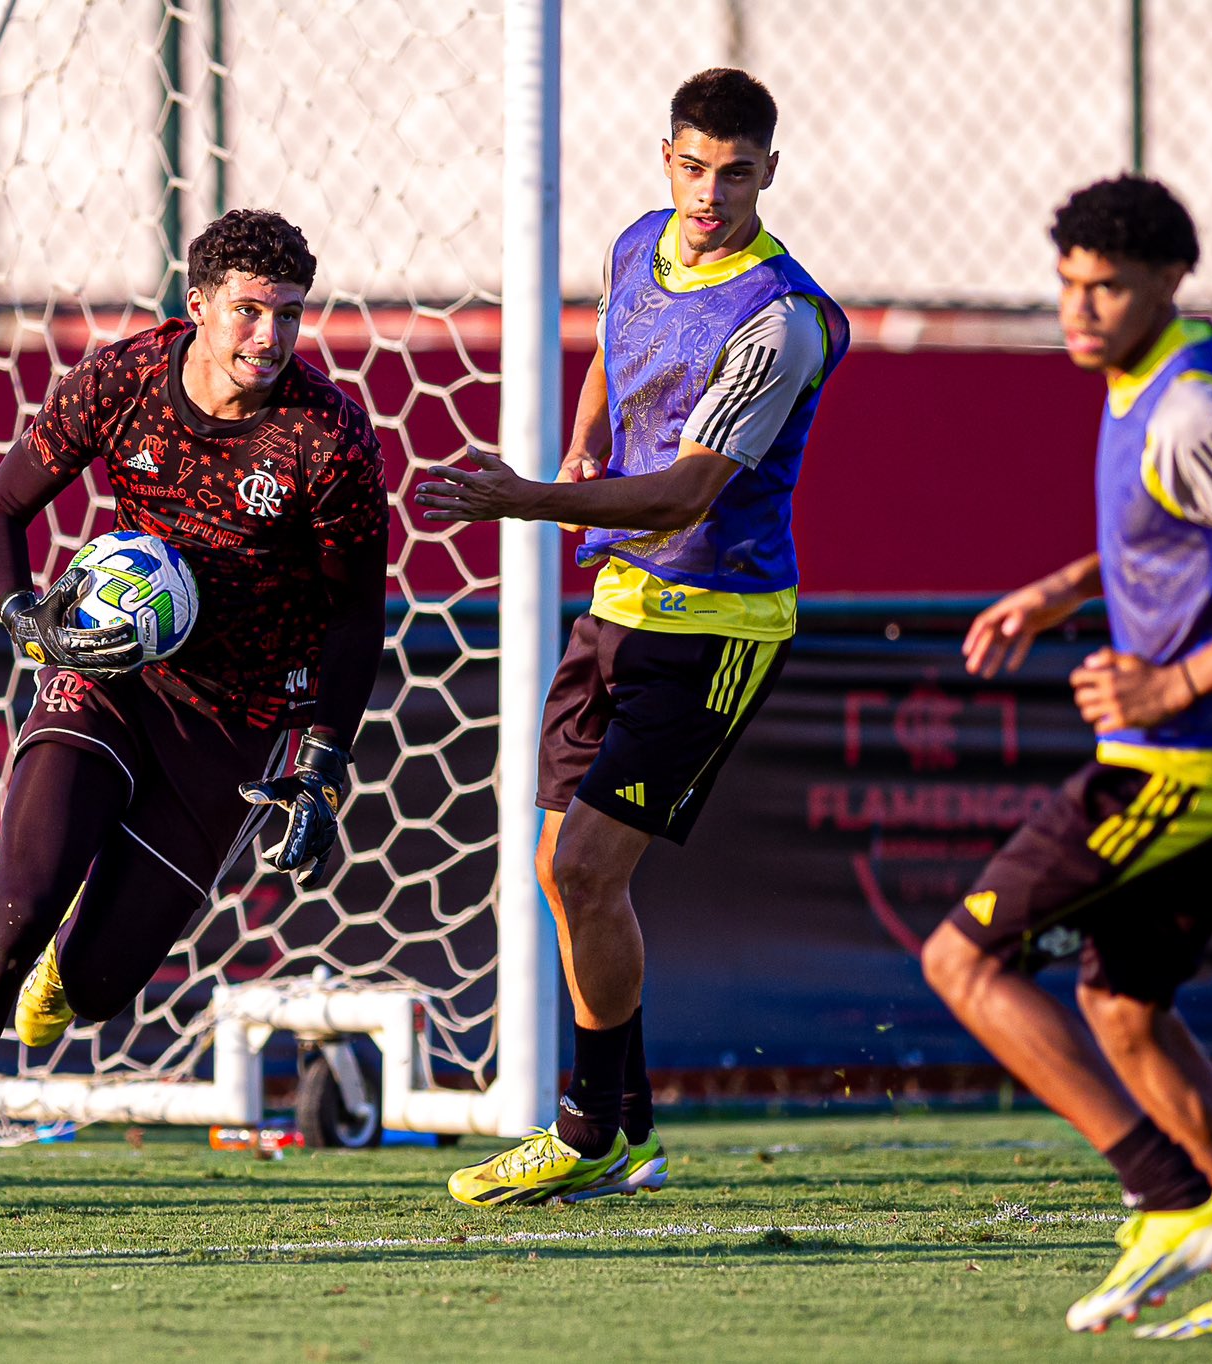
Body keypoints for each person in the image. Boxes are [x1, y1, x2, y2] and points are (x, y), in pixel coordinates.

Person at [0, 209, 389, 1224]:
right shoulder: (121, 377)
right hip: (103, 678)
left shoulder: (328, 435)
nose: (269, 336)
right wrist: (22, 619)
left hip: (231, 719)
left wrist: (321, 759)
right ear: (199, 307)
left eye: (288, 316)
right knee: (17, 903)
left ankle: (73, 977)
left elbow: (354, 613)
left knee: (95, 982)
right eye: (249, 312)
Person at [922, 175, 1212, 1338]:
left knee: (960, 959)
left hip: (1189, 755)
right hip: (1210, 750)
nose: (1077, 308)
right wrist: (1064, 588)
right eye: (1066, 284)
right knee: (1121, 1004)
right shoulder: (1156, 370)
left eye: (1104, 287)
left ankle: (1167, 1197)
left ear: (1169, 281)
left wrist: (1167, 681)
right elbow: (1174, 525)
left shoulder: (1189, 407)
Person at [414, 68, 848, 1207]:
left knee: (584, 867)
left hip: (716, 625)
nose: (709, 195)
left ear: (770, 172)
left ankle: (584, 1128)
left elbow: (681, 498)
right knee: (567, 881)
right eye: (693, 167)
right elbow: (614, 344)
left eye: (736, 173)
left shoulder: (780, 319)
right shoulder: (637, 241)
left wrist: (520, 500)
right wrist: (580, 446)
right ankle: (634, 1130)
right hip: (615, 609)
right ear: (667, 157)